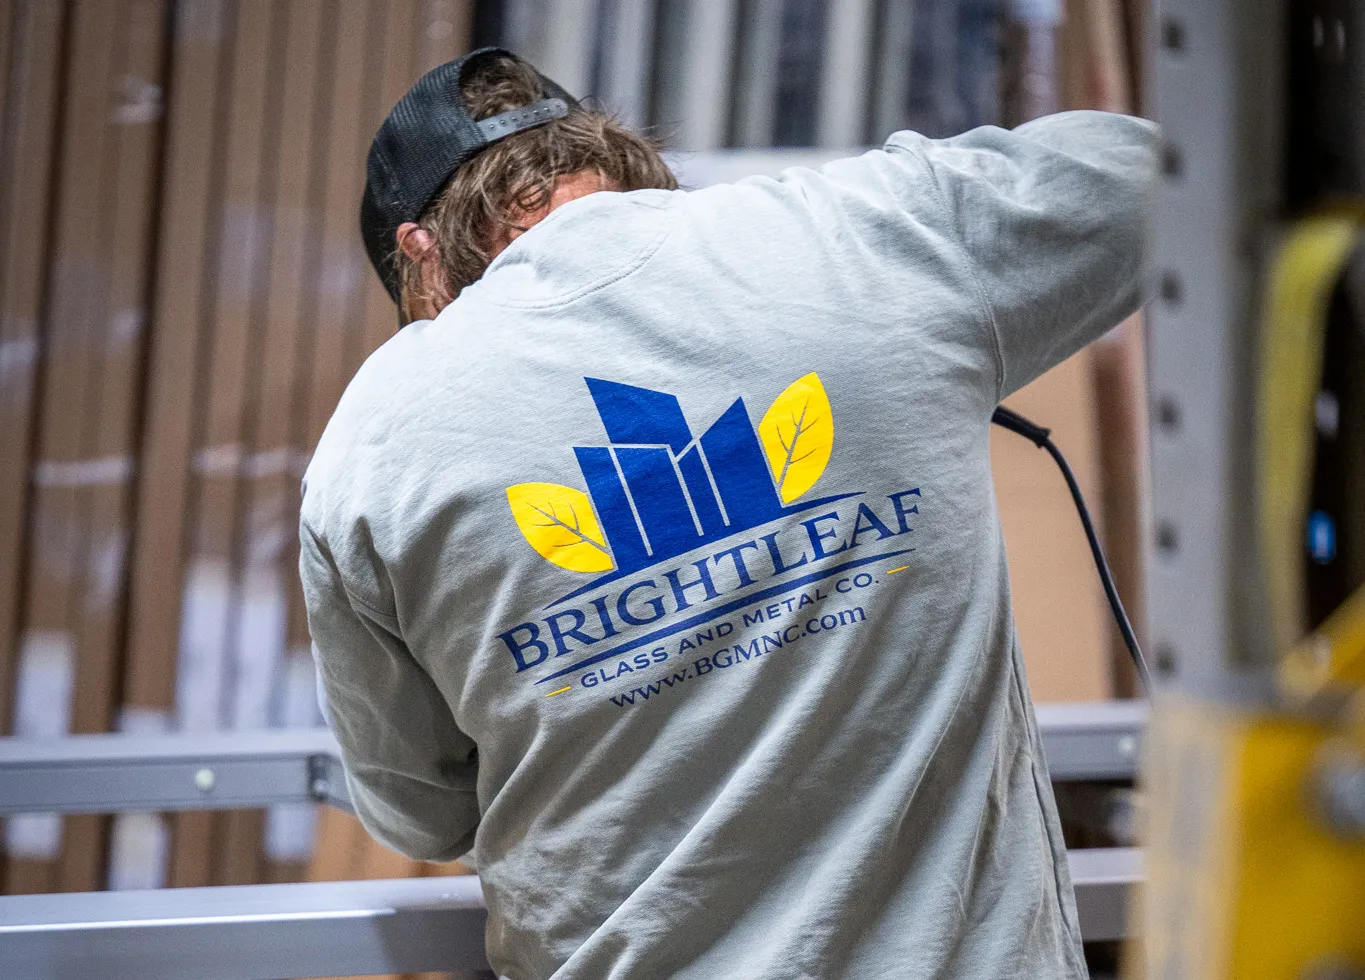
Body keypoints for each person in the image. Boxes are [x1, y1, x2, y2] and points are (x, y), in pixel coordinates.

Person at [301, 46, 1155, 980]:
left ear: (418, 251)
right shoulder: (859, 233)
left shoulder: (369, 444)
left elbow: (420, 811)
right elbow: (1153, 173)